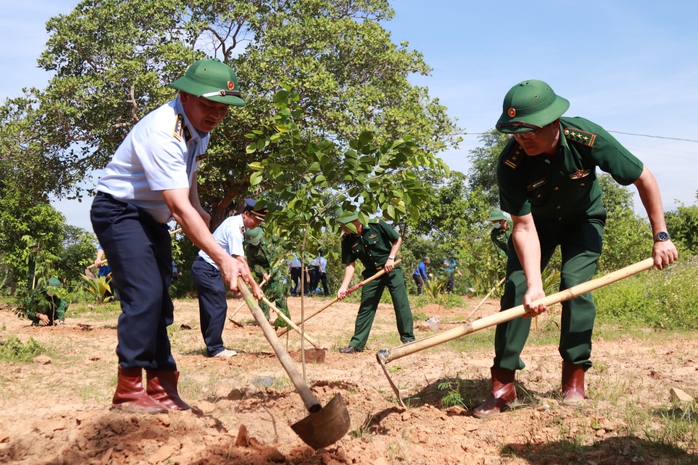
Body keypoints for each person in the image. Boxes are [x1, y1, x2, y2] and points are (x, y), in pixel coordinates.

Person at [473, 79, 678, 419]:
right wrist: (535, 284)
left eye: (529, 132)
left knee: (574, 285)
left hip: (584, 221)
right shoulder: (510, 163)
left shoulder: (588, 139)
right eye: (515, 134)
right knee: (518, 287)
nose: (522, 140)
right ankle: (503, 384)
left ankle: (574, 376)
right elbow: (523, 226)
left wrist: (661, 236)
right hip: (536, 226)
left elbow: (645, 177)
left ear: (553, 122)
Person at [90, 58, 262, 415]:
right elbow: (179, 211)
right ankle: (128, 390)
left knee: (161, 302)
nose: (216, 115)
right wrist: (223, 257)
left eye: (223, 109)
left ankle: (162, 385)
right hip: (119, 211)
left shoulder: (198, 128)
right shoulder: (162, 131)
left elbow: (190, 176)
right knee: (145, 296)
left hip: (150, 219)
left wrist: (198, 206)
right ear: (184, 95)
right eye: (209, 105)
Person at [191, 199, 267, 357]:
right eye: (256, 219)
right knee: (218, 306)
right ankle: (215, 348)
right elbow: (240, 260)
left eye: (260, 220)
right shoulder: (234, 228)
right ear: (246, 214)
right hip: (206, 268)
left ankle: (212, 346)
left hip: (207, 268)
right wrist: (255, 286)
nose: (257, 223)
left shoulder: (236, 224)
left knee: (209, 308)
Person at [336, 210, 415, 354]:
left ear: (353, 222)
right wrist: (343, 287)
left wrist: (391, 258)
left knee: (400, 302)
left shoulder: (376, 225)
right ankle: (356, 345)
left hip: (391, 269)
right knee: (366, 307)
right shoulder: (347, 240)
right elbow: (350, 265)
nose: (342, 229)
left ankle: (408, 340)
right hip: (371, 274)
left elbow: (397, 239)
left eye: (343, 225)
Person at [244, 226, 291, 328]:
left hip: (278, 271)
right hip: (264, 274)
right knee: (263, 296)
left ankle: (284, 321)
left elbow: (283, 251)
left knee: (280, 295)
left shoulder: (272, 239)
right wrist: (263, 272)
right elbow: (253, 264)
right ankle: (264, 321)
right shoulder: (249, 249)